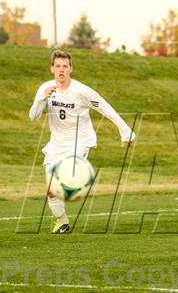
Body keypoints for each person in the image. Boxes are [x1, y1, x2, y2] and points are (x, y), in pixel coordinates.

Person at [29, 50, 135, 233]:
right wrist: (41, 99)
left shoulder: (82, 91)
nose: (61, 70)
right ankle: (62, 222)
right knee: (50, 190)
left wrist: (126, 132)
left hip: (80, 141)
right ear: (52, 69)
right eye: (57, 66)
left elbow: (105, 108)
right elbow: (33, 117)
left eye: (65, 66)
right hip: (56, 144)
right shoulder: (45, 88)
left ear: (71, 69)